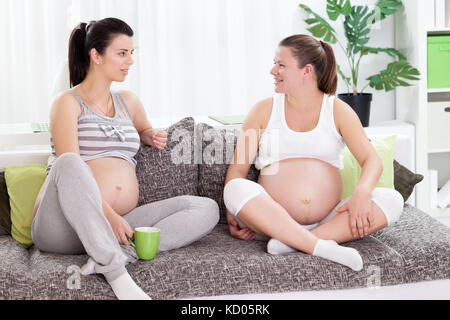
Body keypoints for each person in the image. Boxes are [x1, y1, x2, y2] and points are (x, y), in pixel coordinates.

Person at [31, 17, 219, 300]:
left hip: (116, 223)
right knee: (68, 163)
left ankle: (117, 254)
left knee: (204, 208)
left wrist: (148, 136)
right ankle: (117, 275)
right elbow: (69, 167)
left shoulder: (128, 101)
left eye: (132, 53)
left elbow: (143, 128)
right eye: (121, 53)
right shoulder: (67, 103)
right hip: (63, 227)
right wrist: (111, 216)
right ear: (96, 55)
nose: (130, 60)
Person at [223, 34, 404, 271]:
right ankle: (319, 246)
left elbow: (371, 160)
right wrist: (230, 212)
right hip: (272, 224)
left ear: (306, 71)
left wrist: (361, 194)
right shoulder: (262, 110)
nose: (272, 71)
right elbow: (238, 169)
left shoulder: (338, 110)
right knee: (234, 188)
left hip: (331, 220)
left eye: (281, 65)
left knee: (393, 199)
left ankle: (295, 242)